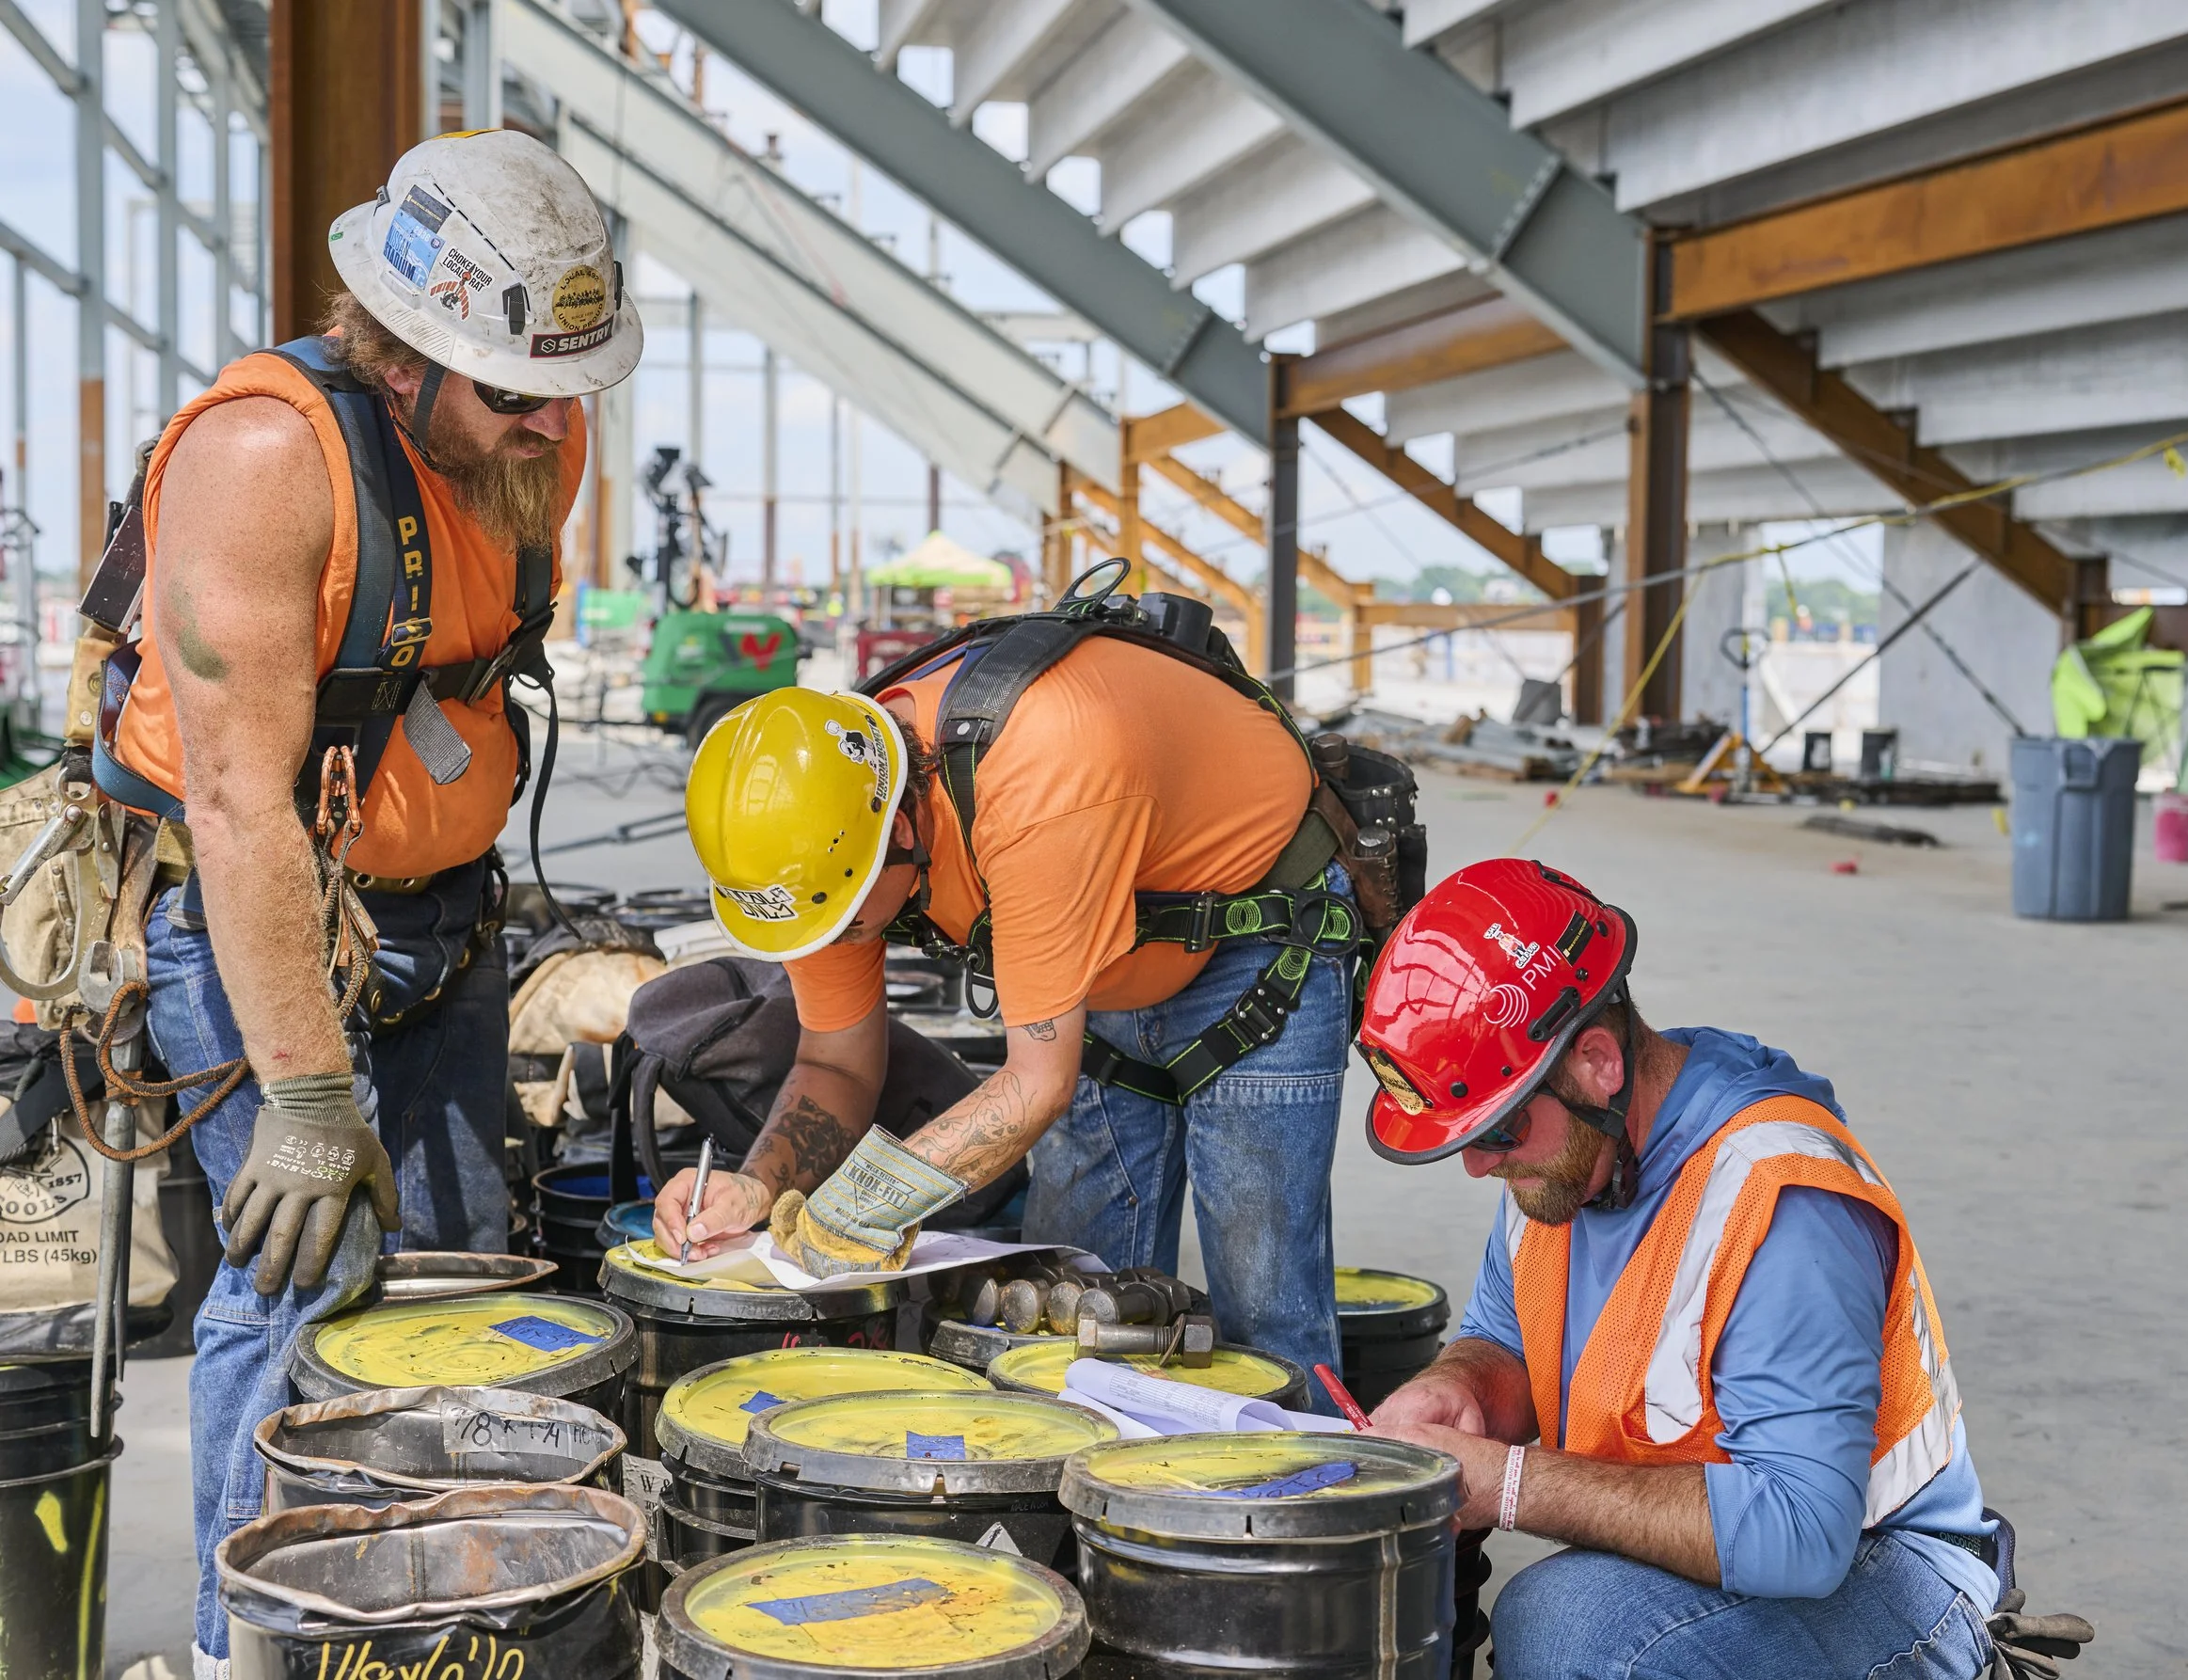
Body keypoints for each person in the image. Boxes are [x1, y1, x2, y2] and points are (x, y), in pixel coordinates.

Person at [95, 130, 641, 1676]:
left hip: (441, 919)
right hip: (257, 920)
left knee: (460, 1300)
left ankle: (421, 1641)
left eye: (565, 389)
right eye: (513, 392)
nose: (548, 424)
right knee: (302, 1288)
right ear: (402, 352)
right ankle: (236, 1652)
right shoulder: (265, 459)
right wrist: (311, 1094)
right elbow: (237, 806)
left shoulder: (534, 426)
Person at [653, 635, 1358, 1388]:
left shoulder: (1034, 780)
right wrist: (755, 1186)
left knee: (1264, 1305)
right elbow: (833, 1057)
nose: (835, 943)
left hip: (1260, 931)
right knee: (1064, 1313)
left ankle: (1299, 1481)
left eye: (847, 920)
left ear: (896, 830)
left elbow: (1036, 1084)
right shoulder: (821, 850)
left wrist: (868, 1200)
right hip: (1108, 949)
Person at [1358, 858, 2005, 1679]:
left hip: (1888, 1572)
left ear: (1597, 1062)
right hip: (1733, 1548)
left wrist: (1513, 1483)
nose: (1479, 1166)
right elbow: (1508, 1338)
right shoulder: (1562, 1155)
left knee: (1569, 1629)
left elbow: (1803, 1537)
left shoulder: (1785, 1203)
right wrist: (1462, 1388)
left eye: (1498, 1131)